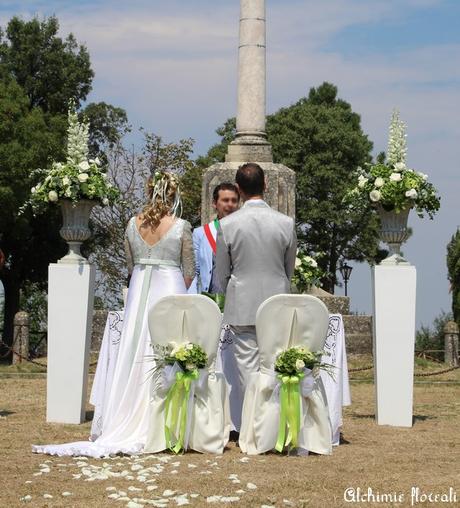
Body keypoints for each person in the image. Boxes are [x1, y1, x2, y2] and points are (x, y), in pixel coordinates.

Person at [33, 171, 195, 457]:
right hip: (170, 286)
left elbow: (131, 266)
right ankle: (166, 422)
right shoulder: (182, 226)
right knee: (168, 350)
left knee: (134, 350)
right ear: (174, 195)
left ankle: (126, 412)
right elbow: (190, 271)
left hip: (139, 289)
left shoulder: (133, 224)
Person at [215, 163, 297, 431]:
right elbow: (288, 269)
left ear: (238, 190)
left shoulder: (227, 225)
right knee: (276, 368)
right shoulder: (286, 223)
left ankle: (250, 429)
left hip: (243, 305)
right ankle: (275, 427)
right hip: (277, 304)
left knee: (247, 373)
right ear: (265, 186)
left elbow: (222, 275)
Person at [188, 182, 239, 295]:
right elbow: (193, 271)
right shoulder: (200, 233)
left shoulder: (244, 232)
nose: (230, 204)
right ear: (215, 204)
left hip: (238, 299)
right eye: (225, 200)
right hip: (210, 299)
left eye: (234, 200)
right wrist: (192, 297)